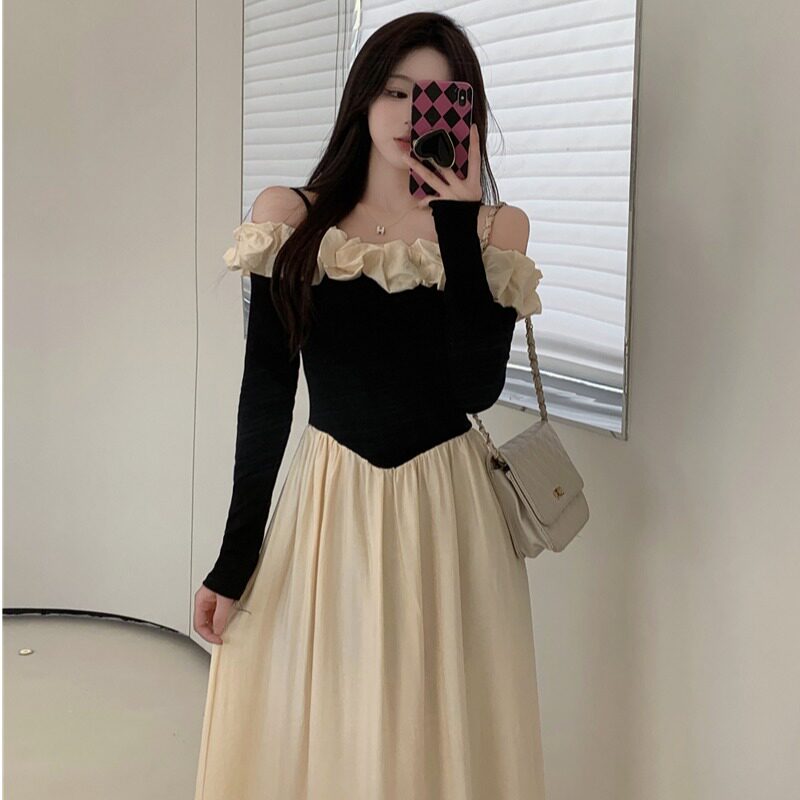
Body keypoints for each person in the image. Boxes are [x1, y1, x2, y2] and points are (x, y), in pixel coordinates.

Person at [192, 11, 546, 800]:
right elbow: (266, 394)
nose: (411, 112)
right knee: (327, 718)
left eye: (436, 96)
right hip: (330, 504)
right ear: (362, 97)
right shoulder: (290, 217)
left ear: (465, 113)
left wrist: (456, 223)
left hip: (450, 512)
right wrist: (235, 558)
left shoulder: (496, 228)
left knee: (435, 725)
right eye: (395, 90)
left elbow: (475, 389)